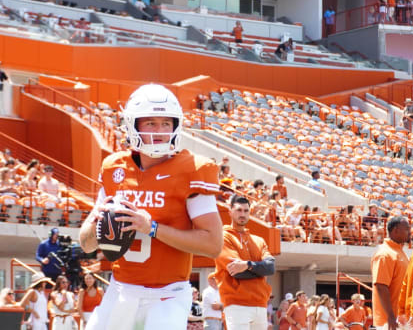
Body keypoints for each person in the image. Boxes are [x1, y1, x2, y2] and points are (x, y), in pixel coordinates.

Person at [79, 84, 223, 330]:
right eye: (151, 123)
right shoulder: (115, 168)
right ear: (133, 125)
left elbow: (213, 245)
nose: (160, 131)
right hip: (121, 288)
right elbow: (87, 244)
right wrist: (97, 222)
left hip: (167, 294)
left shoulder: (192, 169)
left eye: (166, 124)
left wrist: (152, 228)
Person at [215, 195, 275, 330]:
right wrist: (260, 270)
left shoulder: (259, 240)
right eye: (239, 210)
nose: (242, 214)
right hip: (237, 304)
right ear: (230, 212)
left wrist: (248, 265)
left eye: (246, 211)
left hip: (260, 304)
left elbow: (271, 267)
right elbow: (237, 273)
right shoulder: (224, 237)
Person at [372, 216, 410, 330]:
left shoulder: (399, 252)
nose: (409, 232)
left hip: (401, 318)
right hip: (390, 322)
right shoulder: (385, 254)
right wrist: (391, 317)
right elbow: (381, 286)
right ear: (396, 230)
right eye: (407, 229)